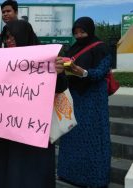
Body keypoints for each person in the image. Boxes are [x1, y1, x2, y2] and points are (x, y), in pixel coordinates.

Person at [0, 20, 67, 188]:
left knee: (29, 174)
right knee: (3, 168)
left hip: (32, 130)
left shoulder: (46, 60)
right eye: (6, 38)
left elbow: (61, 88)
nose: (9, 41)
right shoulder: (0, 61)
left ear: (25, 35)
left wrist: (58, 73)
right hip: (5, 128)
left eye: (13, 37)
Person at [56, 17, 111, 188]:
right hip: (75, 98)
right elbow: (66, 73)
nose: (79, 35)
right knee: (71, 135)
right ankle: (69, 174)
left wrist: (84, 72)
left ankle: (95, 179)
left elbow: (101, 72)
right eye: (76, 32)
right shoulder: (73, 49)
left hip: (93, 101)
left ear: (91, 31)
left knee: (93, 140)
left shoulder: (102, 48)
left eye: (83, 32)